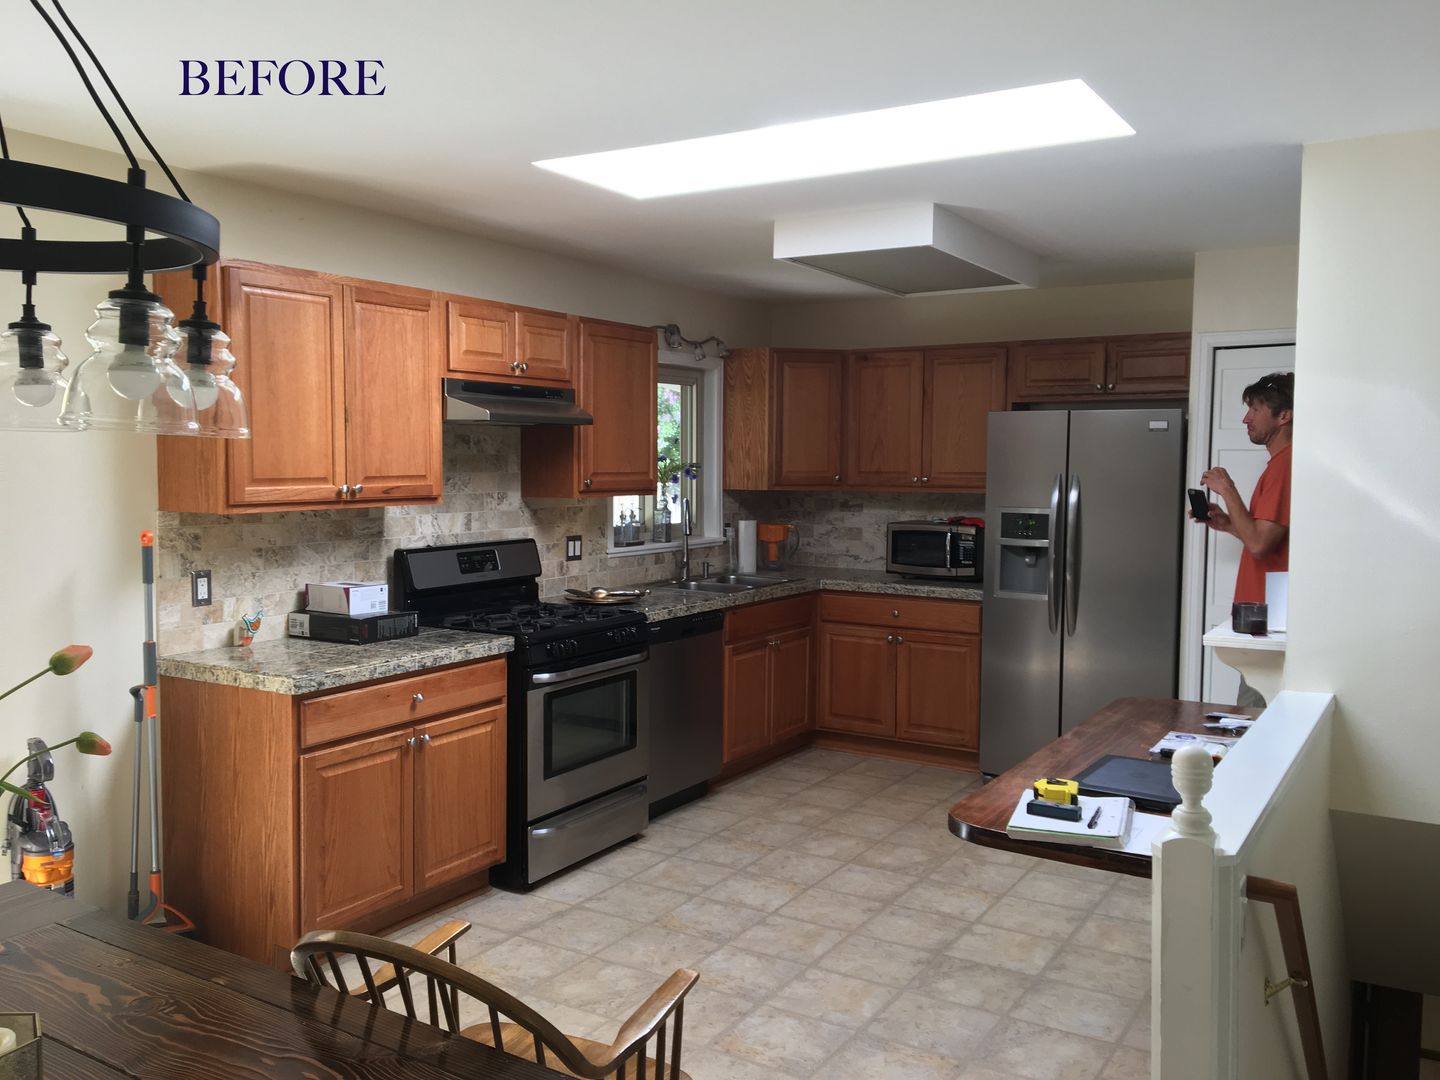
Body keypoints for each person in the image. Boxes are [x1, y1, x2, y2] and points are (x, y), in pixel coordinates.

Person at [1193, 371, 1293, 706]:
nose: (1245, 418)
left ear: (1283, 416)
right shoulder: (1280, 465)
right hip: (1263, 620)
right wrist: (1227, 523)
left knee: (1254, 724)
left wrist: (1228, 490)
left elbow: (1260, 546)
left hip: (1270, 622)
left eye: (1254, 410)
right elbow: (1264, 536)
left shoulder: (1285, 466)